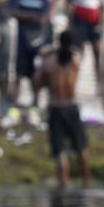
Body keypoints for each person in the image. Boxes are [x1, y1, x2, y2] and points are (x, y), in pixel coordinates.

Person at [36, 30, 89, 188]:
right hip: (72, 106)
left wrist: (46, 53)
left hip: (55, 108)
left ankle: (63, 186)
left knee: (60, 152)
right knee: (82, 149)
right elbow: (78, 52)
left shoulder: (50, 62)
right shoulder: (75, 60)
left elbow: (37, 82)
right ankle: (86, 184)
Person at [9, 0, 55, 113]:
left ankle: (35, 105)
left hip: (38, 41)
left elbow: (44, 20)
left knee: (37, 74)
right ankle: (13, 105)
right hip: (23, 40)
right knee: (19, 74)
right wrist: (30, 16)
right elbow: (12, 10)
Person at [65, 0, 104, 82]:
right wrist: (70, 25)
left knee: (97, 54)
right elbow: (69, 5)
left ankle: (99, 85)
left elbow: (101, 5)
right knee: (78, 54)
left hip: (95, 24)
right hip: (79, 23)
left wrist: (100, 22)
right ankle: (73, 81)